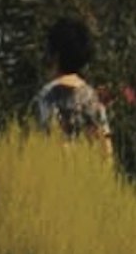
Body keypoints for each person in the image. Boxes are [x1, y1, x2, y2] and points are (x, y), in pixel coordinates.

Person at [28, 13, 115, 154]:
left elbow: (34, 146)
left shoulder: (45, 97)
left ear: (54, 54)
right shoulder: (92, 98)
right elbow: (106, 150)